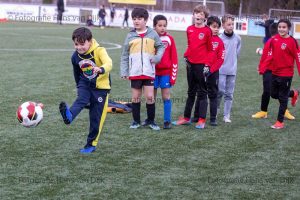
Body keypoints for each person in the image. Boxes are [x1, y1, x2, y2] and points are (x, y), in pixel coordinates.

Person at [59, 27, 112, 154]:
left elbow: (109, 63)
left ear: (90, 41)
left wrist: (101, 69)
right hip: (85, 84)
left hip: (100, 89)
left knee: (96, 118)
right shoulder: (75, 57)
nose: (79, 47)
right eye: (76, 44)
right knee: (81, 99)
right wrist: (79, 86)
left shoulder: (99, 51)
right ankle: (69, 116)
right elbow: (76, 73)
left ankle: (91, 144)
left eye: (82, 44)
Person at [120, 7, 165, 131]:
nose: (136, 21)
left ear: (145, 20)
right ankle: (136, 121)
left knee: (150, 97)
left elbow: (161, 47)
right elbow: (124, 55)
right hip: (135, 72)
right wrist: (124, 71)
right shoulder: (130, 35)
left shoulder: (153, 34)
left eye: (139, 19)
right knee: (135, 97)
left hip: (149, 71)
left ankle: (151, 121)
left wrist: (157, 58)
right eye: (134, 19)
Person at [172, 4, 213, 129]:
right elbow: (190, 45)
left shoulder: (207, 31)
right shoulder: (189, 29)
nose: (198, 16)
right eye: (197, 13)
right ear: (193, 15)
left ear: (205, 18)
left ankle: (201, 119)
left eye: (201, 14)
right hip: (190, 64)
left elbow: (210, 50)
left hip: (201, 65)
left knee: (202, 92)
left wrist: (207, 64)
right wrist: (186, 56)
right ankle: (186, 117)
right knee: (190, 92)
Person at [252, 22, 296, 120]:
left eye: (283, 27)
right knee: (267, 91)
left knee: (281, 93)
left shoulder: (288, 41)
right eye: (279, 28)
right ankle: (263, 111)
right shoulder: (271, 41)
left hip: (280, 71)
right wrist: (261, 66)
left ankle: (285, 110)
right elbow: (266, 55)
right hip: (268, 70)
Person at [262, 19, 300, 129]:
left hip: (286, 74)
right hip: (275, 72)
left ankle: (280, 122)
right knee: (274, 94)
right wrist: (264, 67)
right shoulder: (274, 40)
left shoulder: (292, 42)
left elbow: (298, 58)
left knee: (282, 98)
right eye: (280, 27)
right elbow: (271, 55)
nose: (281, 29)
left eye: (284, 27)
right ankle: (293, 93)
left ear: (289, 29)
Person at [153, 15, 178, 129]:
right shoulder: (150, 38)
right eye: (160, 25)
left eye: (164, 25)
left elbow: (174, 58)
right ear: (154, 26)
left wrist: (173, 77)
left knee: (166, 97)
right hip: (152, 73)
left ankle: (167, 120)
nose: (162, 28)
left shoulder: (170, 39)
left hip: (165, 74)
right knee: (150, 97)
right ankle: (151, 119)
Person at [217, 14, 242, 123]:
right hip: (221, 70)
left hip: (232, 71)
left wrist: (233, 64)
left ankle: (226, 115)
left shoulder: (238, 38)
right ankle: (216, 110)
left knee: (229, 94)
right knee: (220, 91)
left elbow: (237, 53)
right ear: (223, 25)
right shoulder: (219, 38)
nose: (231, 26)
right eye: (229, 24)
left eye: (232, 24)